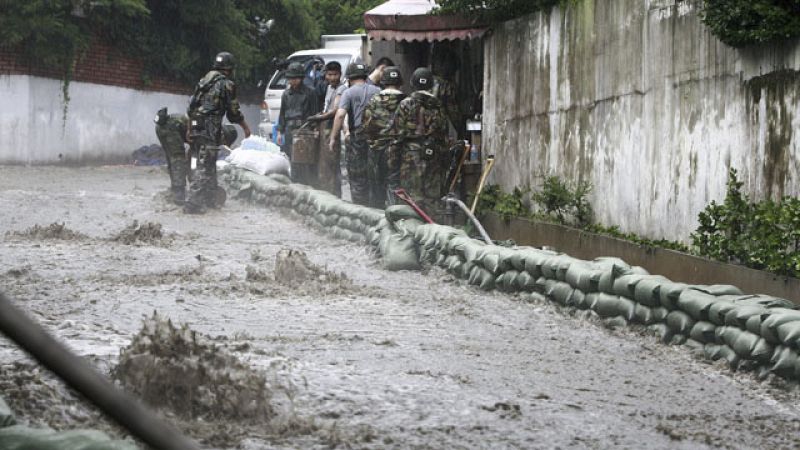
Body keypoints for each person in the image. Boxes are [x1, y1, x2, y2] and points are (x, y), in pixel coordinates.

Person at [184, 51, 251, 214]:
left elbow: (191, 107)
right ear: (229, 68)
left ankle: (209, 197)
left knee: (197, 158)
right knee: (206, 164)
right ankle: (193, 203)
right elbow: (233, 112)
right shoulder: (227, 84)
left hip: (196, 123)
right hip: (210, 127)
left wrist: (189, 128)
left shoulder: (204, 80)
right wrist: (245, 127)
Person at [388, 67, 448, 214]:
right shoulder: (439, 106)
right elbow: (444, 136)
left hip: (410, 160)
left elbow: (396, 138)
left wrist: (392, 167)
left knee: (411, 201)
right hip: (433, 157)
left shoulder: (405, 104)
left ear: (413, 83)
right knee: (432, 200)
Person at [329, 62, 380, 206]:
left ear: (350, 78)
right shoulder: (377, 91)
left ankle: (360, 207)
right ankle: (375, 207)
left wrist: (333, 137)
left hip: (357, 138)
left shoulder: (348, 92)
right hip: (375, 138)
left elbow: (340, 116)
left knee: (358, 175)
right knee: (374, 175)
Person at [362, 66, 405, 208]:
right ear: (400, 83)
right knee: (396, 186)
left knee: (376, 187)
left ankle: (378, 219)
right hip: (400, 151)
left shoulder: (374, 100)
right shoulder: (407, 101)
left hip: (377, 151)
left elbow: (366, 126)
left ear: (382, 83)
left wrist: (374, 142)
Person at [307, 61, 347, 197]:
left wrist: (319, 118)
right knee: (323, 164)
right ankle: (327, 193)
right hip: (324, 125)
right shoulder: (329, 87)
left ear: (340, 74)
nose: (332, 77)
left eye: (335, 74)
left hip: (331, 126)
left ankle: (334, 195)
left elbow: (335, 111)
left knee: (331, 163)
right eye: (329, 74)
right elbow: (326, 108)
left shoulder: (341, 89)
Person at [276, 61, 318, 183]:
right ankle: (295, 183)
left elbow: (315, 113)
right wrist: (280, 132)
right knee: (291, 159)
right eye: (290, 78)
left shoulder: (310, 92)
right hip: (289, 129)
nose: (293, 81)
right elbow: (282, 113)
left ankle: (308, 184)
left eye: (295, 78)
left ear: (301, 78)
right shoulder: (286, 94)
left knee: (305, 161)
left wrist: (314, 130)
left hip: (304, 130)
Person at [154, 108, 190, 205]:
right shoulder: (161, 126)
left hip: (164, 133)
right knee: (176, 163)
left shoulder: (179, 119)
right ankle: (178, 191)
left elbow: (189, 132)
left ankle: (177, 190)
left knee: (175, 162)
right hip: (171, 139)